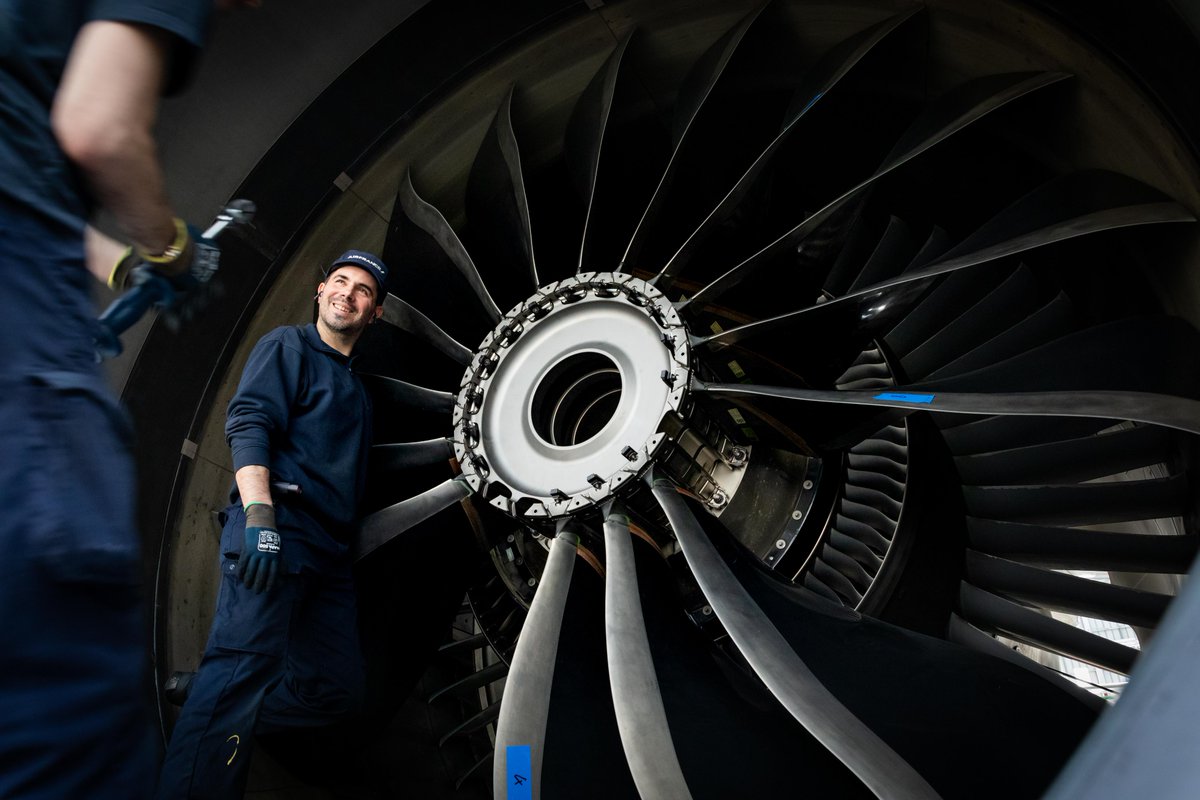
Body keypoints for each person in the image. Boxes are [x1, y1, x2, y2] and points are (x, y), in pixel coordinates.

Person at [0, 2, 256, 798]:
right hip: (24, 406)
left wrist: (121, 269)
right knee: (67, 743)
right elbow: (98, 129)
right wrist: (173, 249)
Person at [156, 250, 388, 798]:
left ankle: (214, 695)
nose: (347, 294)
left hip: (329, 558)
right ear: (319, 290)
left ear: (374, 313)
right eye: (340, 282)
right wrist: (261, 516)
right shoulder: (289, 346)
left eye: (362, 291)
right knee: (237, 679)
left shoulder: (355, 390)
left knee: (336, 691)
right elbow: (250, 421)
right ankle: (218, 702)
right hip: (277, 532)